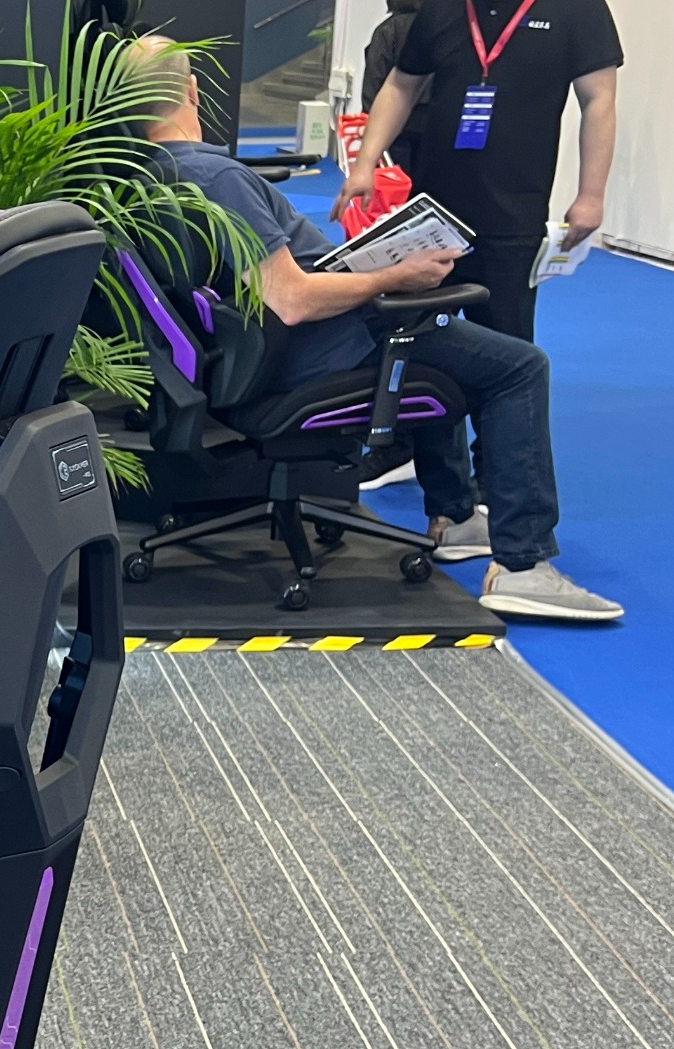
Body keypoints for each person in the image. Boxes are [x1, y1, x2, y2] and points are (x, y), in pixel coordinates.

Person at [130, 40, 622, 623]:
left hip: (244, 361)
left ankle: (455, 516)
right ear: (192, 92)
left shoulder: (145, 181)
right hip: (322, 350)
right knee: (518, 367)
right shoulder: (219, 179)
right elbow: (290, 299)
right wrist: (394, 274)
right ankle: (523, 565)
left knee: (429, 333)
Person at [338, 0, 621, 343]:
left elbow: (599, 101)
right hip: (432, 213)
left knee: (506, 348)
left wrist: (591, 196)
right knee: (415, 344)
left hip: (513, 217)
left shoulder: (576, 2)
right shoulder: (443, 4)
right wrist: (365, 164)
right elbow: (401, 86)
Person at [360, 0, 431, 180]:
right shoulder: (433, 28)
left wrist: (369, 123)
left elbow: (374, 79)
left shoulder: (387, 31)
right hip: (431, 125)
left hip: (394, 125)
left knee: (395, 183)